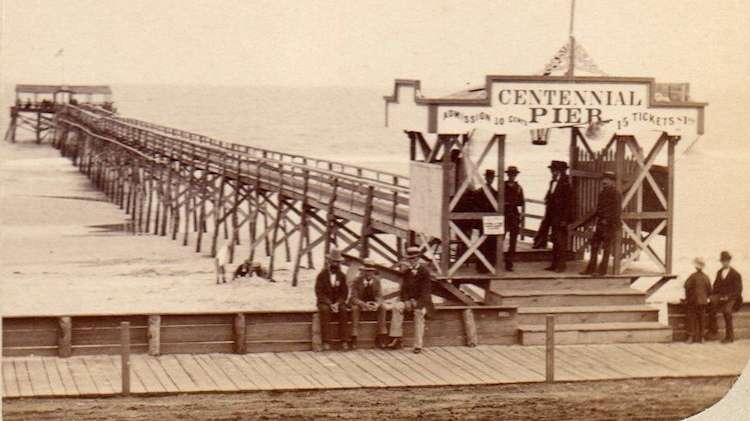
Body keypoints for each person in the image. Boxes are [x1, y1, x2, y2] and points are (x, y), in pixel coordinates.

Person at [385, 246, 434, 353]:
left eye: (414, 258)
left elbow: (426, 292)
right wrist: (406, 300)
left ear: (418, 258)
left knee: (418, 313)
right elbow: (404, 290)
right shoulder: (407, 272)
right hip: (410, 301)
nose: (412, 261)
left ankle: (418, 344)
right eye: (410, 259)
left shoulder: (424, 272)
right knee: (397, 307)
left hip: (423, 302)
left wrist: (418, 304)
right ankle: (396, 338)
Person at [581, 171, 622, 275]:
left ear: (612, 182)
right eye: (604, 179)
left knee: (606, 248)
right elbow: (599, 209)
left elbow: (617, 211)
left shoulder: (616, 193)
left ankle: (602, 271)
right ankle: (590, 268)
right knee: (594, 245)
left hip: (609, 225)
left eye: (607, 180)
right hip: (600, 224)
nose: (604, 181)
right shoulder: (602, 193)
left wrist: (607, 220)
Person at [315, 248, 350, 350]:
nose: (336, 264)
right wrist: (330, 303)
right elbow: (319, 292)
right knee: (325, 310)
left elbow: (345, 293)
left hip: (338, 302)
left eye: (338, 262)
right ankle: (326, 341)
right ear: (329, 261)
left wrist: (338, 304)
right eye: (334, 261)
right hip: (325, 301)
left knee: (344, 310)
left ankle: (344, 340)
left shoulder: (342, 276)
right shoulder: (322, 275)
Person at [349, 258, 387, 349]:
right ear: (362, 271)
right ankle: (354, 337)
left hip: (371, 303)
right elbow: (353, 298)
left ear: (374, 272)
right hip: (359, 303)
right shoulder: (356, 281)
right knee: (354, 309)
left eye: (371, 271)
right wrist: (363, 305)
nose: (368, 274)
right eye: (366, 271)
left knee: (383, 307)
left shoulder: (377, 281)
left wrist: (377, 304)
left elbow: (380, 296)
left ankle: (382, 335)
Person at [543, 160, 574, 272]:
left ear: (560, 171)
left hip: (561, 218)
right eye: (552, 170)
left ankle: (561, 265)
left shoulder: (566, 183)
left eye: (554, 170)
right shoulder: (552, 182)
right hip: (553, 217)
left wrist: (565, 219)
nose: (552, 172)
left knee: (561, 242)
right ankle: (554, 264)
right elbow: (550, 196)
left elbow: (569, 203)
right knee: (555, 241)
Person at [707, 251, 743, 343]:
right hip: (721, 296)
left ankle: (729, 337)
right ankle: (713, 329)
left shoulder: (735, 274)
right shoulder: (719, 272)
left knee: (727, 311)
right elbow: (715, 286)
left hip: (733, 298)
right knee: (711, 302)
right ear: (721, 262)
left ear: (729, 261)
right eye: (723, 261)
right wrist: (711, 296)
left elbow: (738, 291)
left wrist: (727, 297)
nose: (724, 263)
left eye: (726, 261)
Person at [683, 257, 712, 343]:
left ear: (695, 267)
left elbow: (686, 286)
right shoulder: (706, 277)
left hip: (693, 301)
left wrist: (688, 298)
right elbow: (710, 290)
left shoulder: (692, 276)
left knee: (691, 318)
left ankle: (691, 337)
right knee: (702, 319)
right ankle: (702, 338)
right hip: (703, 302)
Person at [477, 169, 499, 272]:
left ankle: (490, 265)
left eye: (492, 177)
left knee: (492, 243)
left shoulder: (495, 192)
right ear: (486, 178)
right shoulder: (480, 191)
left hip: (493, 220)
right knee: (482, 243)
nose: (490, 179)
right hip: (483, 220)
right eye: (489, 177)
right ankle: (481, 266)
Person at [503, 166, 525, 271]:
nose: (512, 176)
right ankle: (497, 260)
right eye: (510, 174)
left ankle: (509, 263)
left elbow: (521, 202)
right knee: (500, 239)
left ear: (516, 175)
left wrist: (514, 203)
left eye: (514, 174)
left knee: (513, 241)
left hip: (514, 216)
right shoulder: (502, 186)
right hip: (504, 215)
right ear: (507, 175)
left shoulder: (519, 187)